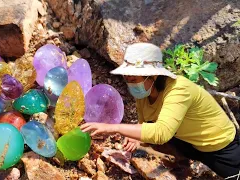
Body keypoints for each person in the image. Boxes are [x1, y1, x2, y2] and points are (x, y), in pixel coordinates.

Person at [80, 43, 240, 179]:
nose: (130, 84)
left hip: (219, 146)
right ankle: (182, 167)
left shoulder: (179, 89)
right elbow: (145, 121)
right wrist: (136, 137)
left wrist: (113, 128)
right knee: (160, 144)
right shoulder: (145, 91)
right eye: (127, 78)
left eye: (134, 79)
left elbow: (162, 132)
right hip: (185, 139)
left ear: (153, 76)